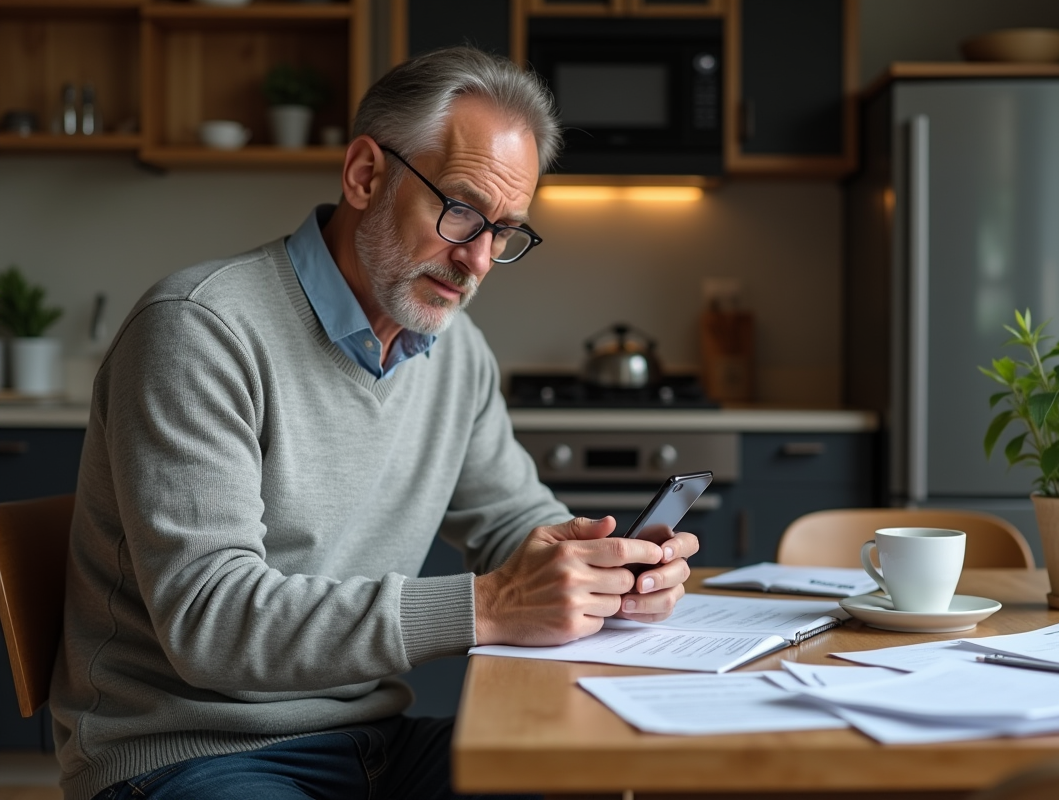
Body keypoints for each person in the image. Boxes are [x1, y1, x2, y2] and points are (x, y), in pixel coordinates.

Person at [50, 46, 699, 800]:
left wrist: (603, 568)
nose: (479, 260)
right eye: (460, 211)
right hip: (192, 751)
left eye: (505, 231)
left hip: (374, 746)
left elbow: (513, 521)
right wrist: (488, 605)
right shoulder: (200, 331)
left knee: (590, 781)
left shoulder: (455, 355)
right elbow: (210, 621)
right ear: (364, 175)